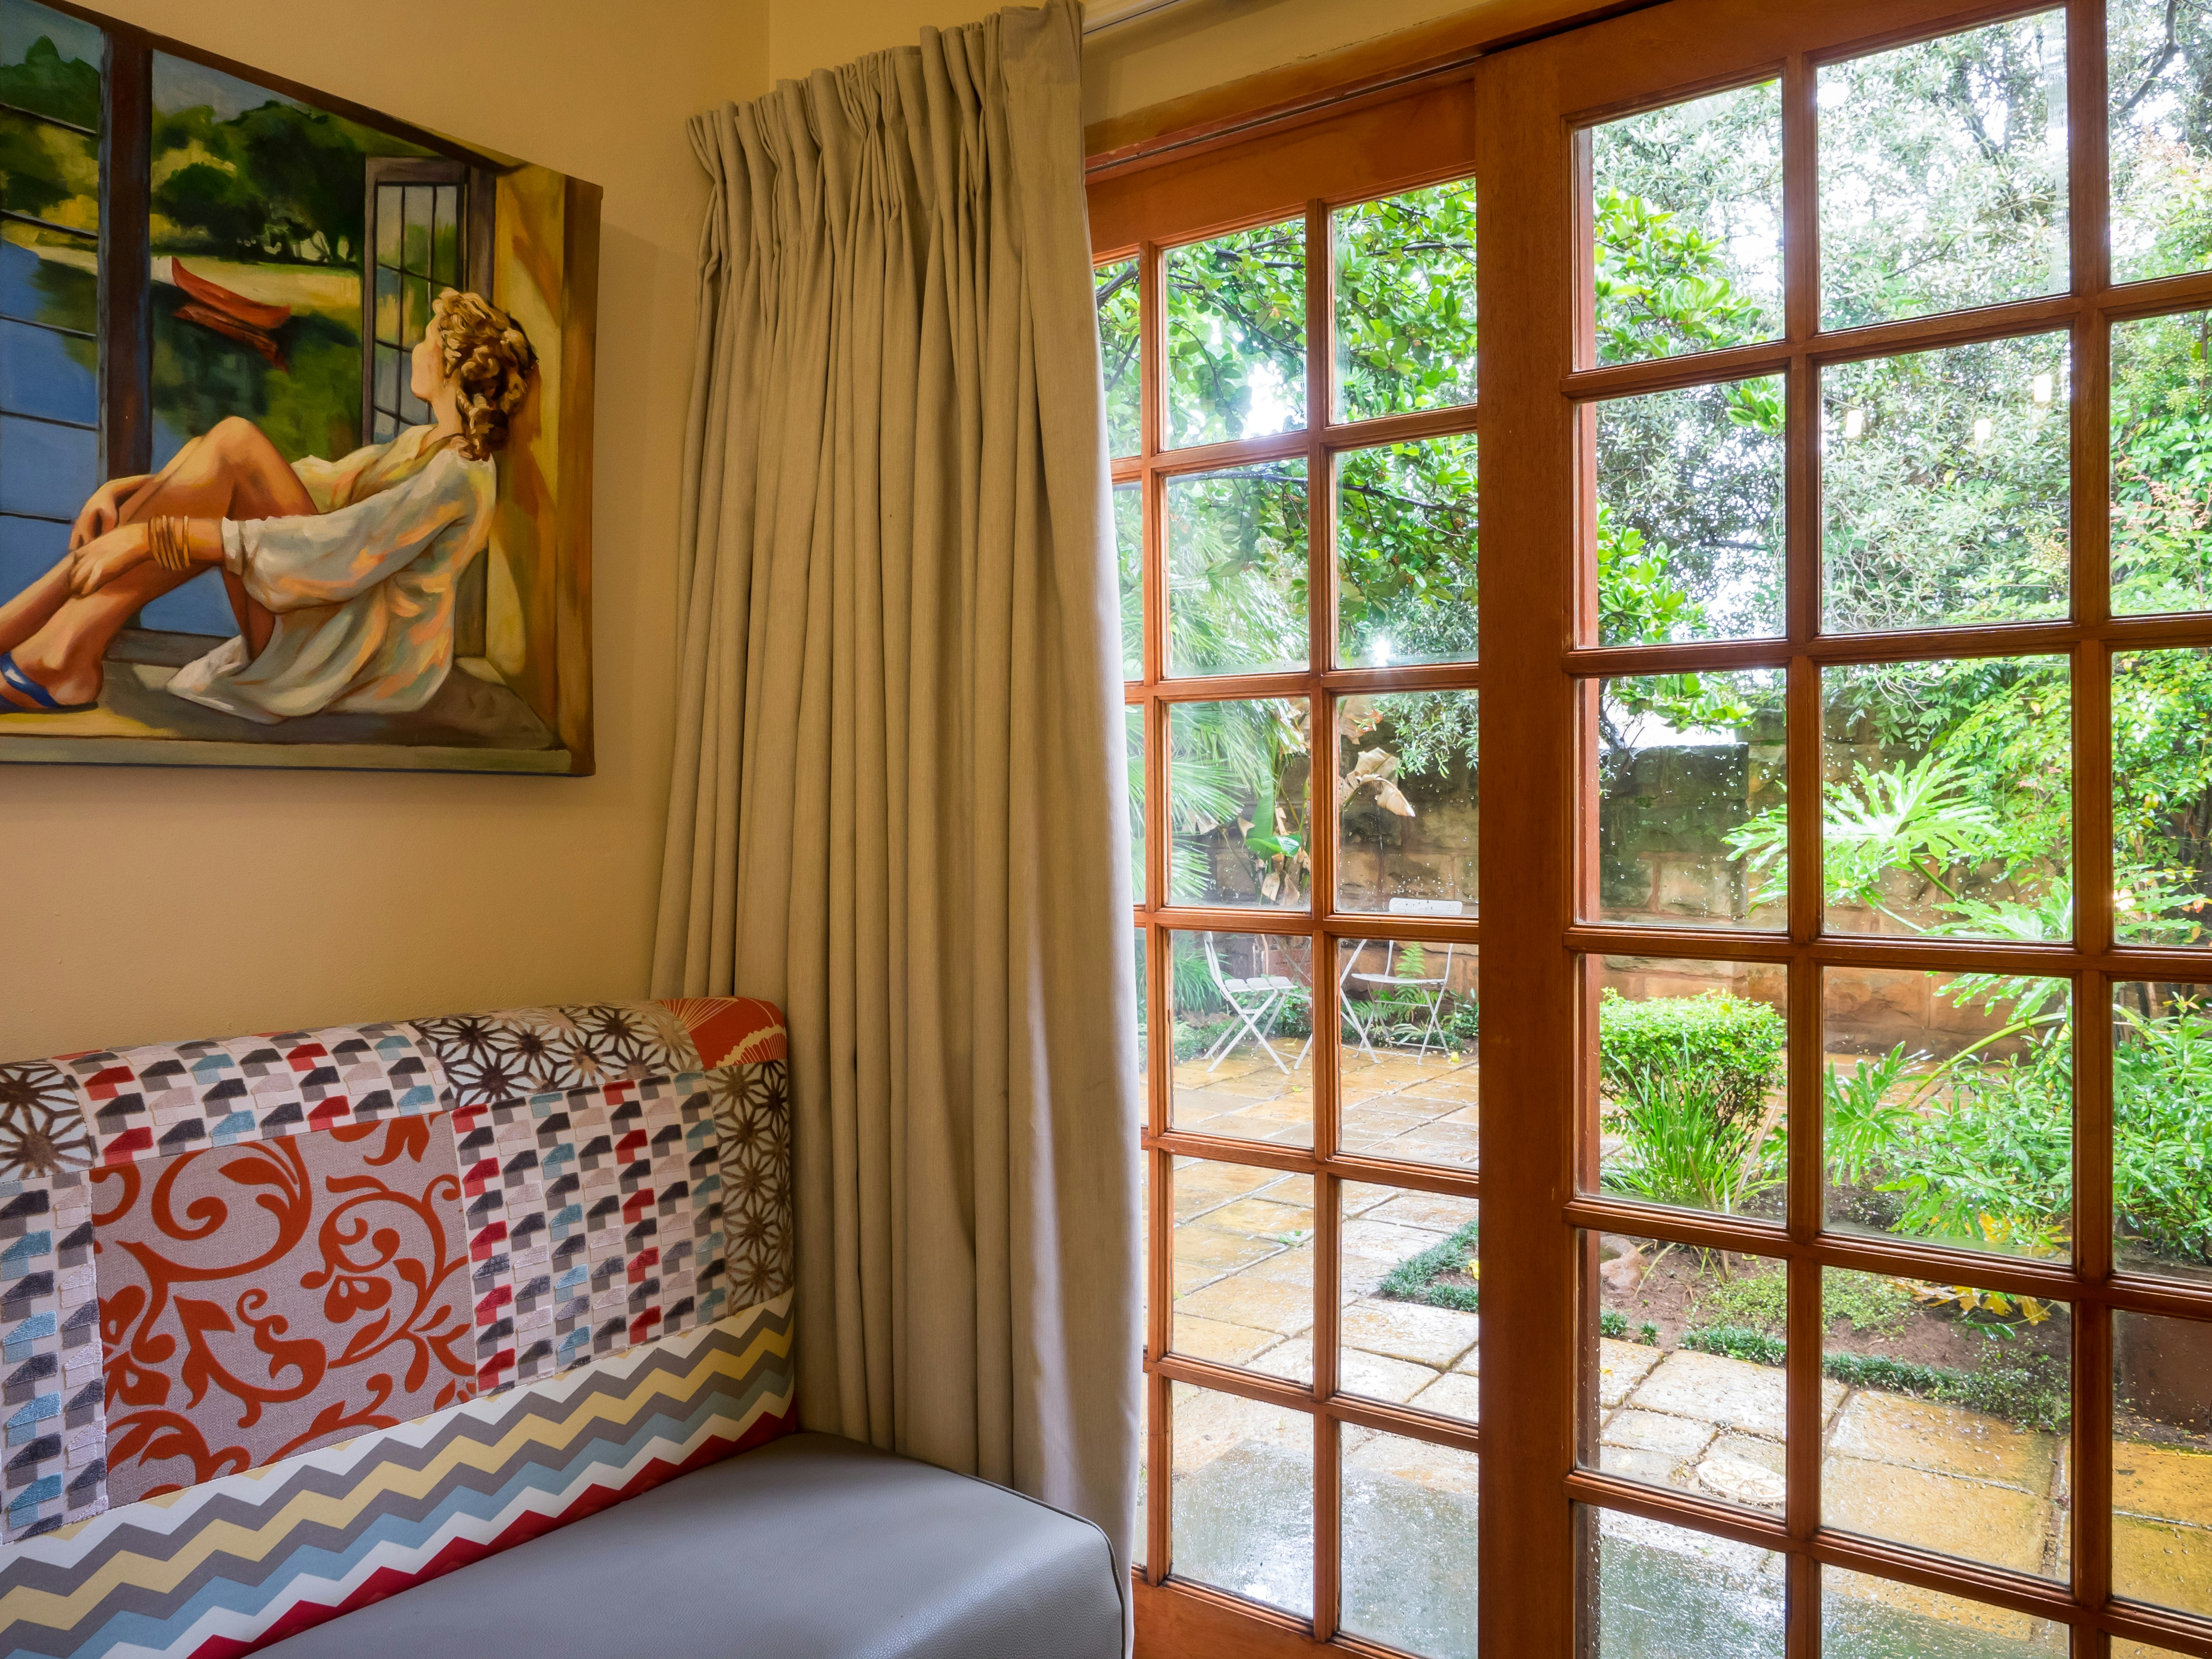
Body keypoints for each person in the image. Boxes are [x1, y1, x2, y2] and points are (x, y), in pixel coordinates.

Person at [0, 289, 535, 723]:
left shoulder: (462, 473)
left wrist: (150, 536)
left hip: (356, 659)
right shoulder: (422, 445)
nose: (416, 350)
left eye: (426, 339)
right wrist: (130, 488)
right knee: (221, 449)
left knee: (235, 444)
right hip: (331, 626)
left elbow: (345, 549)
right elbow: (312, 483)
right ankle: (48, 644)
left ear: (452, 364)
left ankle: (60, 654)